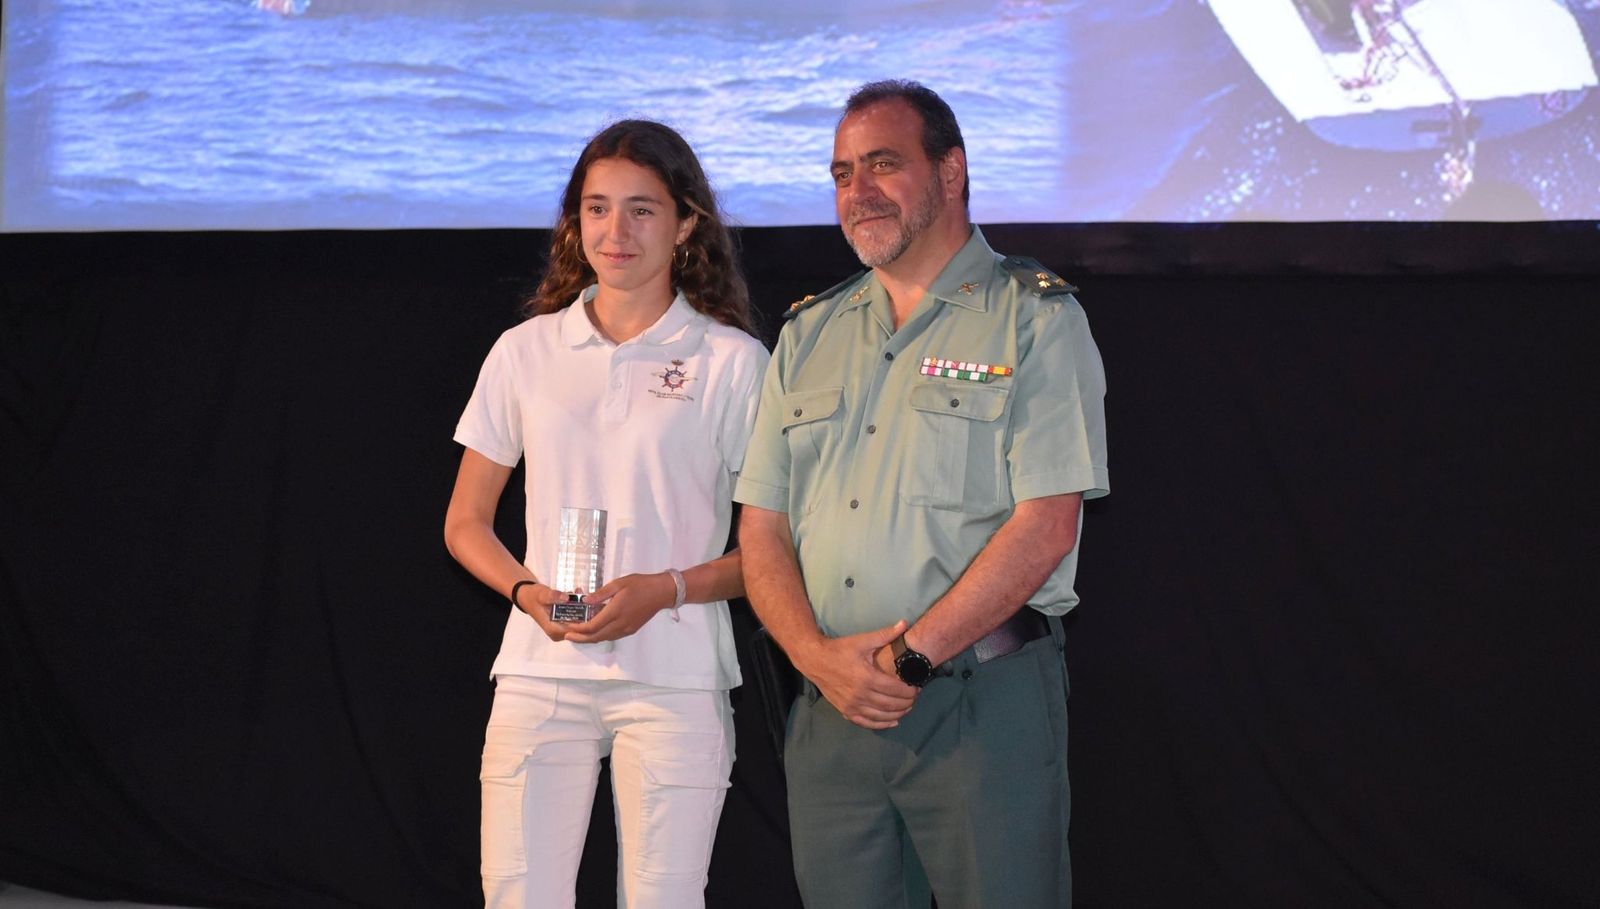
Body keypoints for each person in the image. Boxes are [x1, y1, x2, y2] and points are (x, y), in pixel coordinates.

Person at [734, 80, 1109, 907]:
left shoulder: (1034, 320)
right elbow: (761, 529)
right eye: (840, 174)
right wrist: (814, 657)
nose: (856, 192)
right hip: (832, 715)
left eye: (881, 165)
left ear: (951, 171)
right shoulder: (808, 333)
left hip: (980, 709)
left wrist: (907, 659)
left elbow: (1045, 525)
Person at [443, 119, 769, 909]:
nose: (615, 231)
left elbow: (771, 551)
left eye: (641, 209)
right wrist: (531, 595)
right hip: (538, 672)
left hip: (677, 678)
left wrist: (667, 588)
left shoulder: (731, 360)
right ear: (574, 222)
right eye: (596, 208)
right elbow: (465, 523)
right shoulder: (524, 350)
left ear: (687, 222)